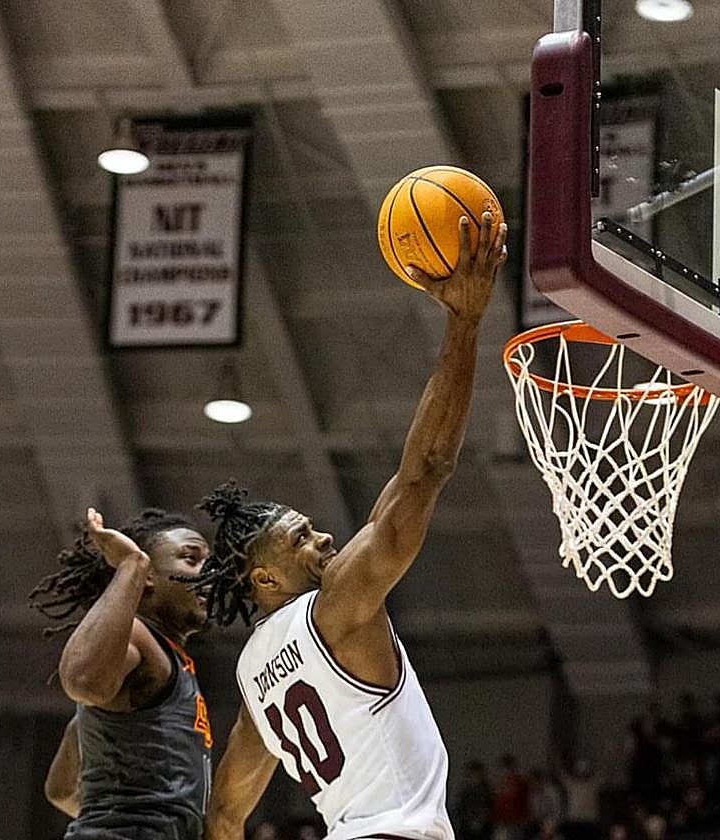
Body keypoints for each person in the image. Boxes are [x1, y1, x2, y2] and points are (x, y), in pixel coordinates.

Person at [197, 212, 507, 840]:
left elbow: (225, 811)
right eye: (300, 538)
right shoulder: (336, 606)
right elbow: (425, 471)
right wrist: (465, 323)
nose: (324, 540)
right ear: (264, 577)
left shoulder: (254, 676)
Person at [29, 507, 214, 840]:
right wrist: (131, 564)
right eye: (191, 559)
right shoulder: (138, 636)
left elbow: (60, 788)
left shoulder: (167, 656)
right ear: (148, 576)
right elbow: (81, 681)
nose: (209, 573)